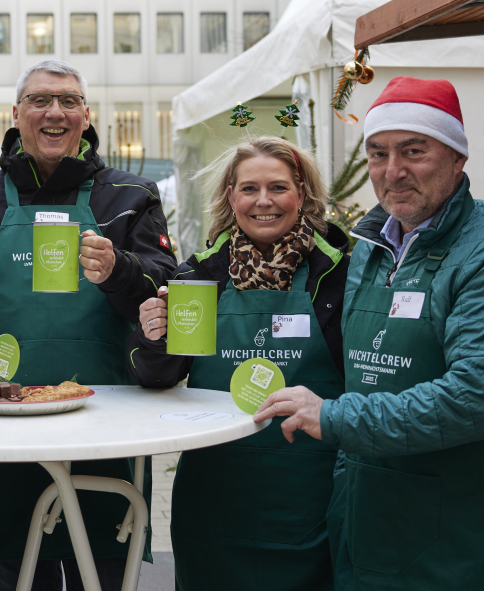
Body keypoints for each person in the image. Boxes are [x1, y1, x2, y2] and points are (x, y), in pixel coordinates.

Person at [255, 76, 484, 591]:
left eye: (413, 151)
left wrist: (332, 416)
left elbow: (475, 398)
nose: (392, 172)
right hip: (375, 513)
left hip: (472, 524)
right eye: (377, 154)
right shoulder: (371, 249)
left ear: (457, 158)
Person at [0, 60, 177, 590]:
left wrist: (119, 269)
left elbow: (166, 288)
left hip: (105, 418)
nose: (56, 112)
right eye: (41, 100)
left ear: (87, 115)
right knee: (20, 572)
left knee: (105, 567)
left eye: (69, 101)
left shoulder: (130, 197)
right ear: (16, 114)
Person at [129, 136, 349, 590]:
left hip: (311, 497)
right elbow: (160, 377)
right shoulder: (198, 274)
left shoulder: (340, 273)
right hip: (217, 497)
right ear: (231, 197)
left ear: (302, 194)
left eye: (278, 187)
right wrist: (154, 339)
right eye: (249, 188)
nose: (263, 201)